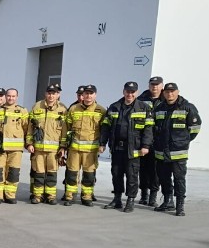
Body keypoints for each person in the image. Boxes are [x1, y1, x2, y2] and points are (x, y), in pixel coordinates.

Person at [99, 81, 154, 213]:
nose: (130, 94)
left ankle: (130, 201)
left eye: (132, 92)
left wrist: (146, 146)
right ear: (123, 92)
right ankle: (117, 199)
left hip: (134, 149)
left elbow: (148, 129)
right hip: (117, 148)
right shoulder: (114, 107)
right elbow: (106, 127)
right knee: (116, 174)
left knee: (132, 175)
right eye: (128, 91)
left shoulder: (144, 108)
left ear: (137, 92)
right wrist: (102, 143)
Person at [152, 82, 201, 216]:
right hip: (161, 152)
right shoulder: (159, 108)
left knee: (179, 179)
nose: (170, 94)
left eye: (172, 91)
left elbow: (194, 129)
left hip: (178, 152)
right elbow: (153, 127)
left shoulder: (187, 108)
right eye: (167, 92)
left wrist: (183, 141)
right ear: (164, 93)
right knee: (164, 178)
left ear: (178, 92)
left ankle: (180, 205)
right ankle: (168, 201)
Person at [59, 84, 106, 206]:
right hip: (74, 149)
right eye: (86, 93)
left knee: (89, 175)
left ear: (95, 95)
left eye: (91, 93)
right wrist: (63, 146)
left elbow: (105, 130)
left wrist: (103, 144)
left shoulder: (101, 111)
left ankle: (87, 197)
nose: (88, 96)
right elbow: (66, 128)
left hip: (91, 150)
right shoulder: (73, 109)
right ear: (82, 95)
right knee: (71, 174)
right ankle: (70, 197)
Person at [26, 83, 67, 204]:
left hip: (54, 151)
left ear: (57, 95)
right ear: (46, 93)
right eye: (49, 93)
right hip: (38, 148)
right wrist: (29, 144)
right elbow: (30, 127)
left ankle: (50, 196)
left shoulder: (63, 109)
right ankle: (37, 196)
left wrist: (63, 147)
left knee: (51, 174)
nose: (51, 96)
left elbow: (65, 130)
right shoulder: (37, 106)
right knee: (38, 173)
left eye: (53, 93)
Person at [0, 88, 28, 204]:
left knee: (13, 172)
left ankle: (10, 195)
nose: (11, 98)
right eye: (9, 96)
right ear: (6, 96)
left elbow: (26, 128)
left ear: (17, 97)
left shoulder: (22, 111)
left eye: (13, 96)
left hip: (16, 148)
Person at [136, 75, 164, 205]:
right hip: (142, 140)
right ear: (149, 86)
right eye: (152, 84)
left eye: (157, 84)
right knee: (143, 169)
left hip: (158, 141)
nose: (155, 86)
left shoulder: (166, 100)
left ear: (162, 86)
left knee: (155, 170)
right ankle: (144, 195)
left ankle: (153, 196)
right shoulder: (141, 99)